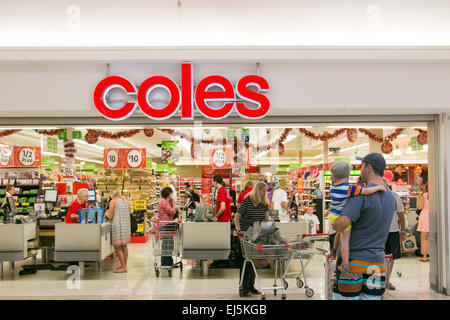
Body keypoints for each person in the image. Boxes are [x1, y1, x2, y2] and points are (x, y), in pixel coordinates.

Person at [332, 152, 396, 300]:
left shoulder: (360, 196)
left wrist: (334, 221)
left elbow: (341, 225)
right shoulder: (391, 197)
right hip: (377, 262)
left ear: (368, 168)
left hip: (353, 262)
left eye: (362, 166)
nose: (360, 170)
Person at [328, 161, 386, 279]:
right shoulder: (348, 188)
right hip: (341, 216)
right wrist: (378, 187)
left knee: (339, 235)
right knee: (345, 240)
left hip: (332, 215)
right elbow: (365, 191)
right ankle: (345, 264)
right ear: (347, 175)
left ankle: (334, 252)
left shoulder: (333, 186)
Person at [234, 182, 270, 297]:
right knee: (246, 261)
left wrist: (266, 230)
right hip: (245, 235)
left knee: (254, 261)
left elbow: (266, 219)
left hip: (256, 235)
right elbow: (237, 217)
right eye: (264, 191)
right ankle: (244, 288)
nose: (265, 193)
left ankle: (251, 286)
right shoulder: (247, 201)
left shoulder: (264, 202)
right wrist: (239, 230)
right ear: (258, 190)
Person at [382, 177, 406, 290]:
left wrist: (403, 231)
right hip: (378, 232)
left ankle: (387, 280)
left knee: (391, 257)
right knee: (379, 257)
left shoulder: (395, 196)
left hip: (392, 231)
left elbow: (401, 215)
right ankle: (380, 279)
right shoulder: (374, 196)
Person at [105, 188, 131, 273]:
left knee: (117, 246)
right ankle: (124, 265)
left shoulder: (113, 201)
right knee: (124, 246)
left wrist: (106, 213)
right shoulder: (125, 200)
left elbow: (110, 216)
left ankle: (123, 267)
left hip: (117, 226)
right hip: (126, 226)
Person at [158, 187, 182, 266]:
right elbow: (171, 211)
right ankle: (165, 263)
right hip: (165, 225)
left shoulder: (168, 201)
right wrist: (174, 206)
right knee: (166, 245)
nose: (172, 194)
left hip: (168, 225)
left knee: (170, 244)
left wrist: (177, 209)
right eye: (171, 193)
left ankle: (169, 262)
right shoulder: (163, 202)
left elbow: (174, 210)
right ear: (168, 194)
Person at [417, 185, 429, 262]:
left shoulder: (424, 196)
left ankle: (424, 256)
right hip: (433, 215)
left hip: (425, 216)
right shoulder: (436, 195)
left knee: (424, 238)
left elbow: (420, 207)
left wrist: (419, 200)